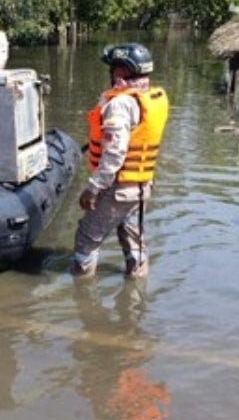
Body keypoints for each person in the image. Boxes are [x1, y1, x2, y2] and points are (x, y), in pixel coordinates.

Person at [72, 43, 169, 280]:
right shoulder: (151, 97)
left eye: (113, 69)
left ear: (120, 73)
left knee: (87, 237)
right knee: (132, 239)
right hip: (141, 186)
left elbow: (115, 154)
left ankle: (81, 291)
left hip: (117, 188)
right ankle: (135, 299)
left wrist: (93, 189)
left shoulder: (119, 104)